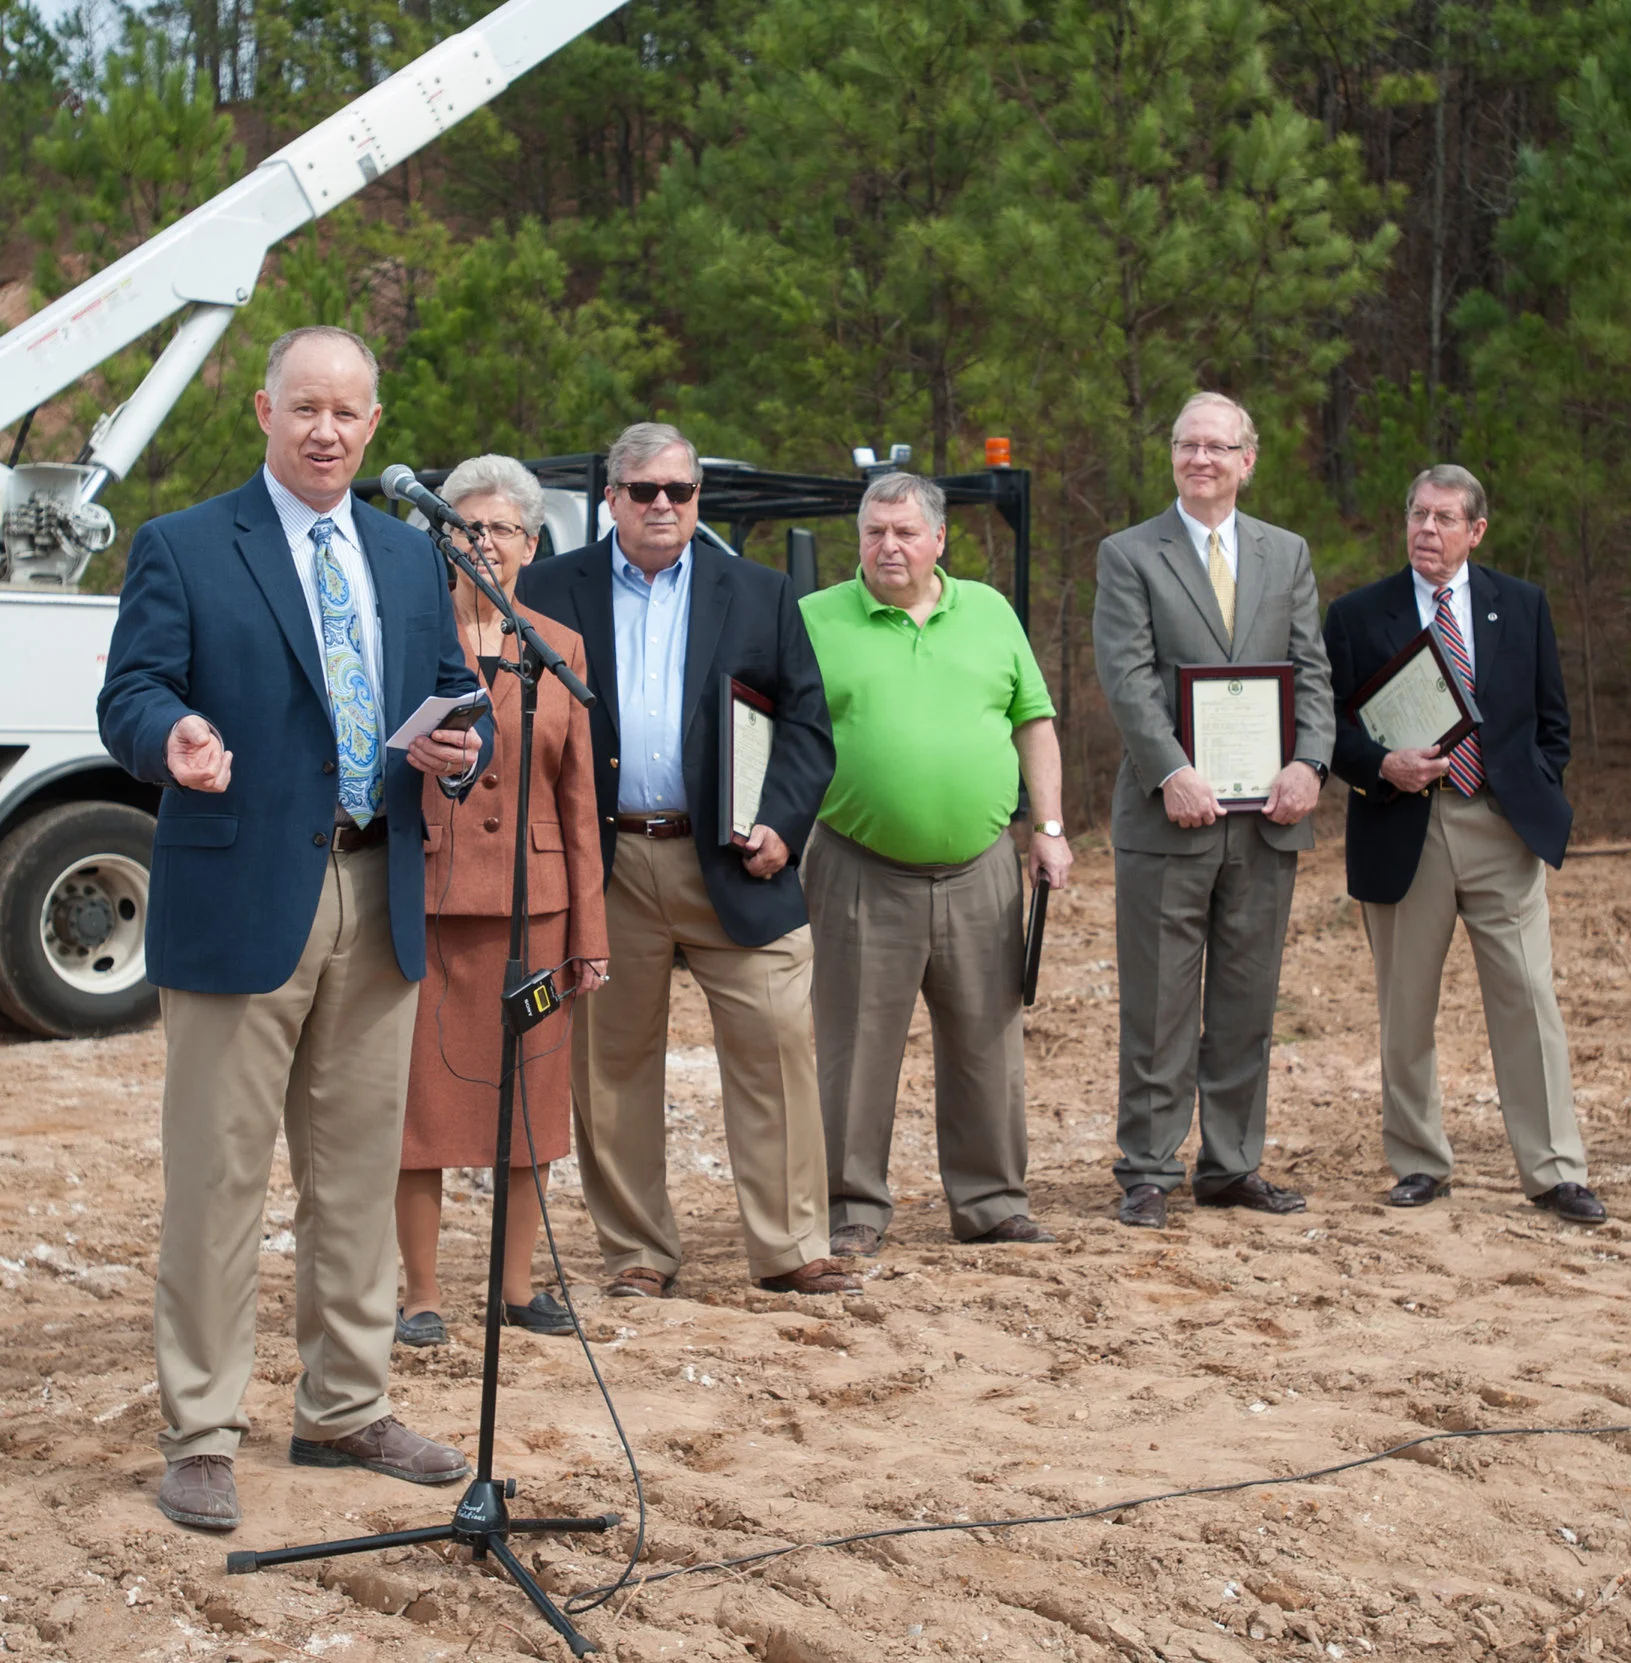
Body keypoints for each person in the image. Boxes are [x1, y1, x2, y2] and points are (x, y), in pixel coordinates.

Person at [97, 325, 487, 1533]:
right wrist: (170, 738)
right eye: (304, 407)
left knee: (359, 1175)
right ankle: (202, 1431)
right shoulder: (183, 545)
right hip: (241, 893)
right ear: (263, 411)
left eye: (347, 412)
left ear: (375, 427)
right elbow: (130, 692)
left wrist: (459, 752)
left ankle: (345, 1406)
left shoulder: (409, 555)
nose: (326, 430)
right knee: (218, 1180)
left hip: (380, 890)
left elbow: (445, 698)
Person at [513, 422, 856, 1297]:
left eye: (680, 490)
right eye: (644, 491)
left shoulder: (760, 591)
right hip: (610, 863)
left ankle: (791, 1248)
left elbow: (808, 724)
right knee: (611, 1064)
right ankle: (636, 1252)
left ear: (698, 497)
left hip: (740, 862)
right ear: (611, 499)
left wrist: (784, 822)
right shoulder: (549, 589)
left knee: (776, 1043)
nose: (664, 505)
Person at [799, 471, 1072, 1257]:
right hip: (857, 864)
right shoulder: (815, 619)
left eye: (906, 532)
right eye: (875, 531)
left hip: (981, 866)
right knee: (853, 1045)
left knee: (988, 1039)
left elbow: (1035, 722)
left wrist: (1048, 826)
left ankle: (991, 1201)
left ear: (939, 539)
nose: (889, 545)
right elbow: (777, 732)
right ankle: (851, 1207)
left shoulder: (988, 612)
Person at [1324, 464, 1602, 1222]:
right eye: (1418, 514)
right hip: (1402, 822)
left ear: (1476, 530)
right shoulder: (1356, 615)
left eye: (1446, 518)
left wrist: (1533, 786)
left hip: (1501, 827)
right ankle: (1419, 1161)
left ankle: (1553, 1169)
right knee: (1405, 1008)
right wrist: (1382, 765)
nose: (1427, 530)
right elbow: (1327, 730)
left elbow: (1554, 723)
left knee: (1528, 1000)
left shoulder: (1522, 605)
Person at [1093, 392, 1334, 1230]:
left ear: (1247, 459)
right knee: (1158, 1002)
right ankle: (1149, 1168)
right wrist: (1172, 771)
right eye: (1186, 445)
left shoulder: (1287, 553)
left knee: (1246, 997)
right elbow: (1125, 676)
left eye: (1217, 446)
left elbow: (1312, 667)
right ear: (1172, 457)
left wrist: (1312, 760)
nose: (1200, 459)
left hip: (1267, 815)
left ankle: (1231, 1164)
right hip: (1172, 814)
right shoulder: (1129, 554)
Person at [395, 455, 609, 1347]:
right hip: (433, 906)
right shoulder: (406, 639)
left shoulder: (558, 646)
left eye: (504, 529)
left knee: (531, 1109)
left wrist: (591, 931)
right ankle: (419, 1296)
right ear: (443, 540)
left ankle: (517, 1288)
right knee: (422, 1117)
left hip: (540, 909)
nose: (486, 543)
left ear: (532, 541)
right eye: (467, 528)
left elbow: (578, 800)